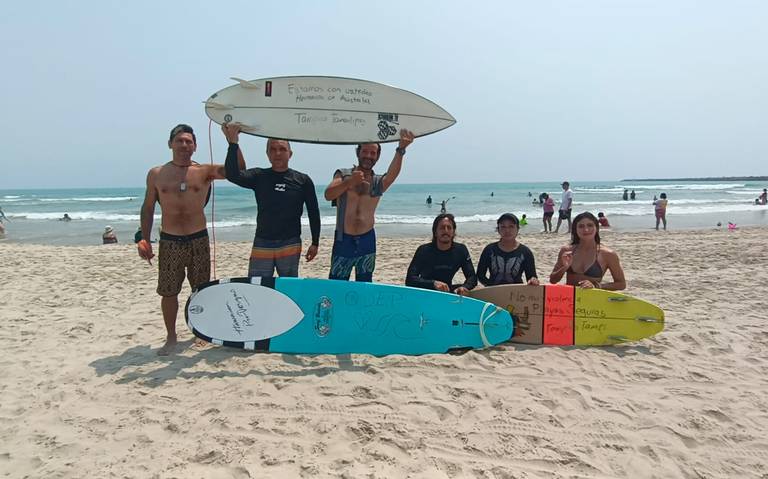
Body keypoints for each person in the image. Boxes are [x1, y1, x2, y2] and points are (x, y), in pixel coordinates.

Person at [138, 123, 238, 356]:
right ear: (170, 144)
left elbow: (237, 170)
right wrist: (144, 239)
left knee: (201, 289)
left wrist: (232, 142)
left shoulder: (204, 171)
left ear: (195, 146)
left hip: (198, 239)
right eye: (179, 140)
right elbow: (148, 207)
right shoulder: (156, 174)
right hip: (170, 240)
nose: (184, 145)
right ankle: (171, 337)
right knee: (168, 291)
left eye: (188, 141)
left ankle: (200, 333)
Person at [223, 124, 320, 277]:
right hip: (263, 241)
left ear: (290, 153)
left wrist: (315, 242)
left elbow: (314, 212)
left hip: (290, 242)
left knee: (288, 289)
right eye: (273, 149)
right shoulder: (259, 176)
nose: (278, 153)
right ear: (267, 154)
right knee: (258, 287)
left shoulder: (303, 180)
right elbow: (232, 175)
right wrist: (233, 144)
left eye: (282, 149)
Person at [324, 129, 414, 282]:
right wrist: (349, 182)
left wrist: (401, 149)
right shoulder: (343, 174)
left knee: (365, 283)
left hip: (367, 239)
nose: (368, 156)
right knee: (337, 283)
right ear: (358, 152)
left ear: (377, 156)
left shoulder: (377, 183)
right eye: (365, 151)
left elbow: (392, 174)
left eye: (373, 153)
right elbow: (328, 194)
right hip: (343, 239)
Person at [549, 212, 626, 290]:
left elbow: (621, 284)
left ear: (596, 227)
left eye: (590, 225)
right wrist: (564, 268)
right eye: (581, 226)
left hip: (592, 299)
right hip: (570, 299)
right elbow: (553, 280)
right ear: (575, 229)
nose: (586, 230)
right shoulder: (566, 250)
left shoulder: (608, 254)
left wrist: (596, 286)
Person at [405, 213, 477, 295]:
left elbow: (472, 277)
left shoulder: (460, 250)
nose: (446, 231)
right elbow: (410, 279)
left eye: (449, 228)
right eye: (442, 228)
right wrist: (433, 283)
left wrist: (464, 287)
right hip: (426, 291)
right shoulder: (424, 250)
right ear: (435, 232)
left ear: (453, 232)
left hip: (447, 291)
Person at [477, 213, 538, 286]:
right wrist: (489, 286)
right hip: (493, 291)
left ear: (518, 229)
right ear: (498, 230)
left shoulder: (525, 252)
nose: (507, 230)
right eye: (503, 227)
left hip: (516, 292)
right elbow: (480, 275)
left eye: (511, 226)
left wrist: (533, 281)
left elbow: (531, 276)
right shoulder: (489, 249)